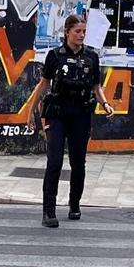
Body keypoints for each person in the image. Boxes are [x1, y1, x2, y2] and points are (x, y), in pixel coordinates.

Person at [27, 14, 115, 227]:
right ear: (67, 32)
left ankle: (74, 204)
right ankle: (49, 210)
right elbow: (43, 84)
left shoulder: (92, 57)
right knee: (55, 162)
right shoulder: (54, 56)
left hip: (81, 115)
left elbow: (96, 86)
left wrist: (105, 104)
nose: (81, 35)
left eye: (84, 31)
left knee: (78, 164)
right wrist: (30, 111)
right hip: (57, 114)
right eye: (77, 31)